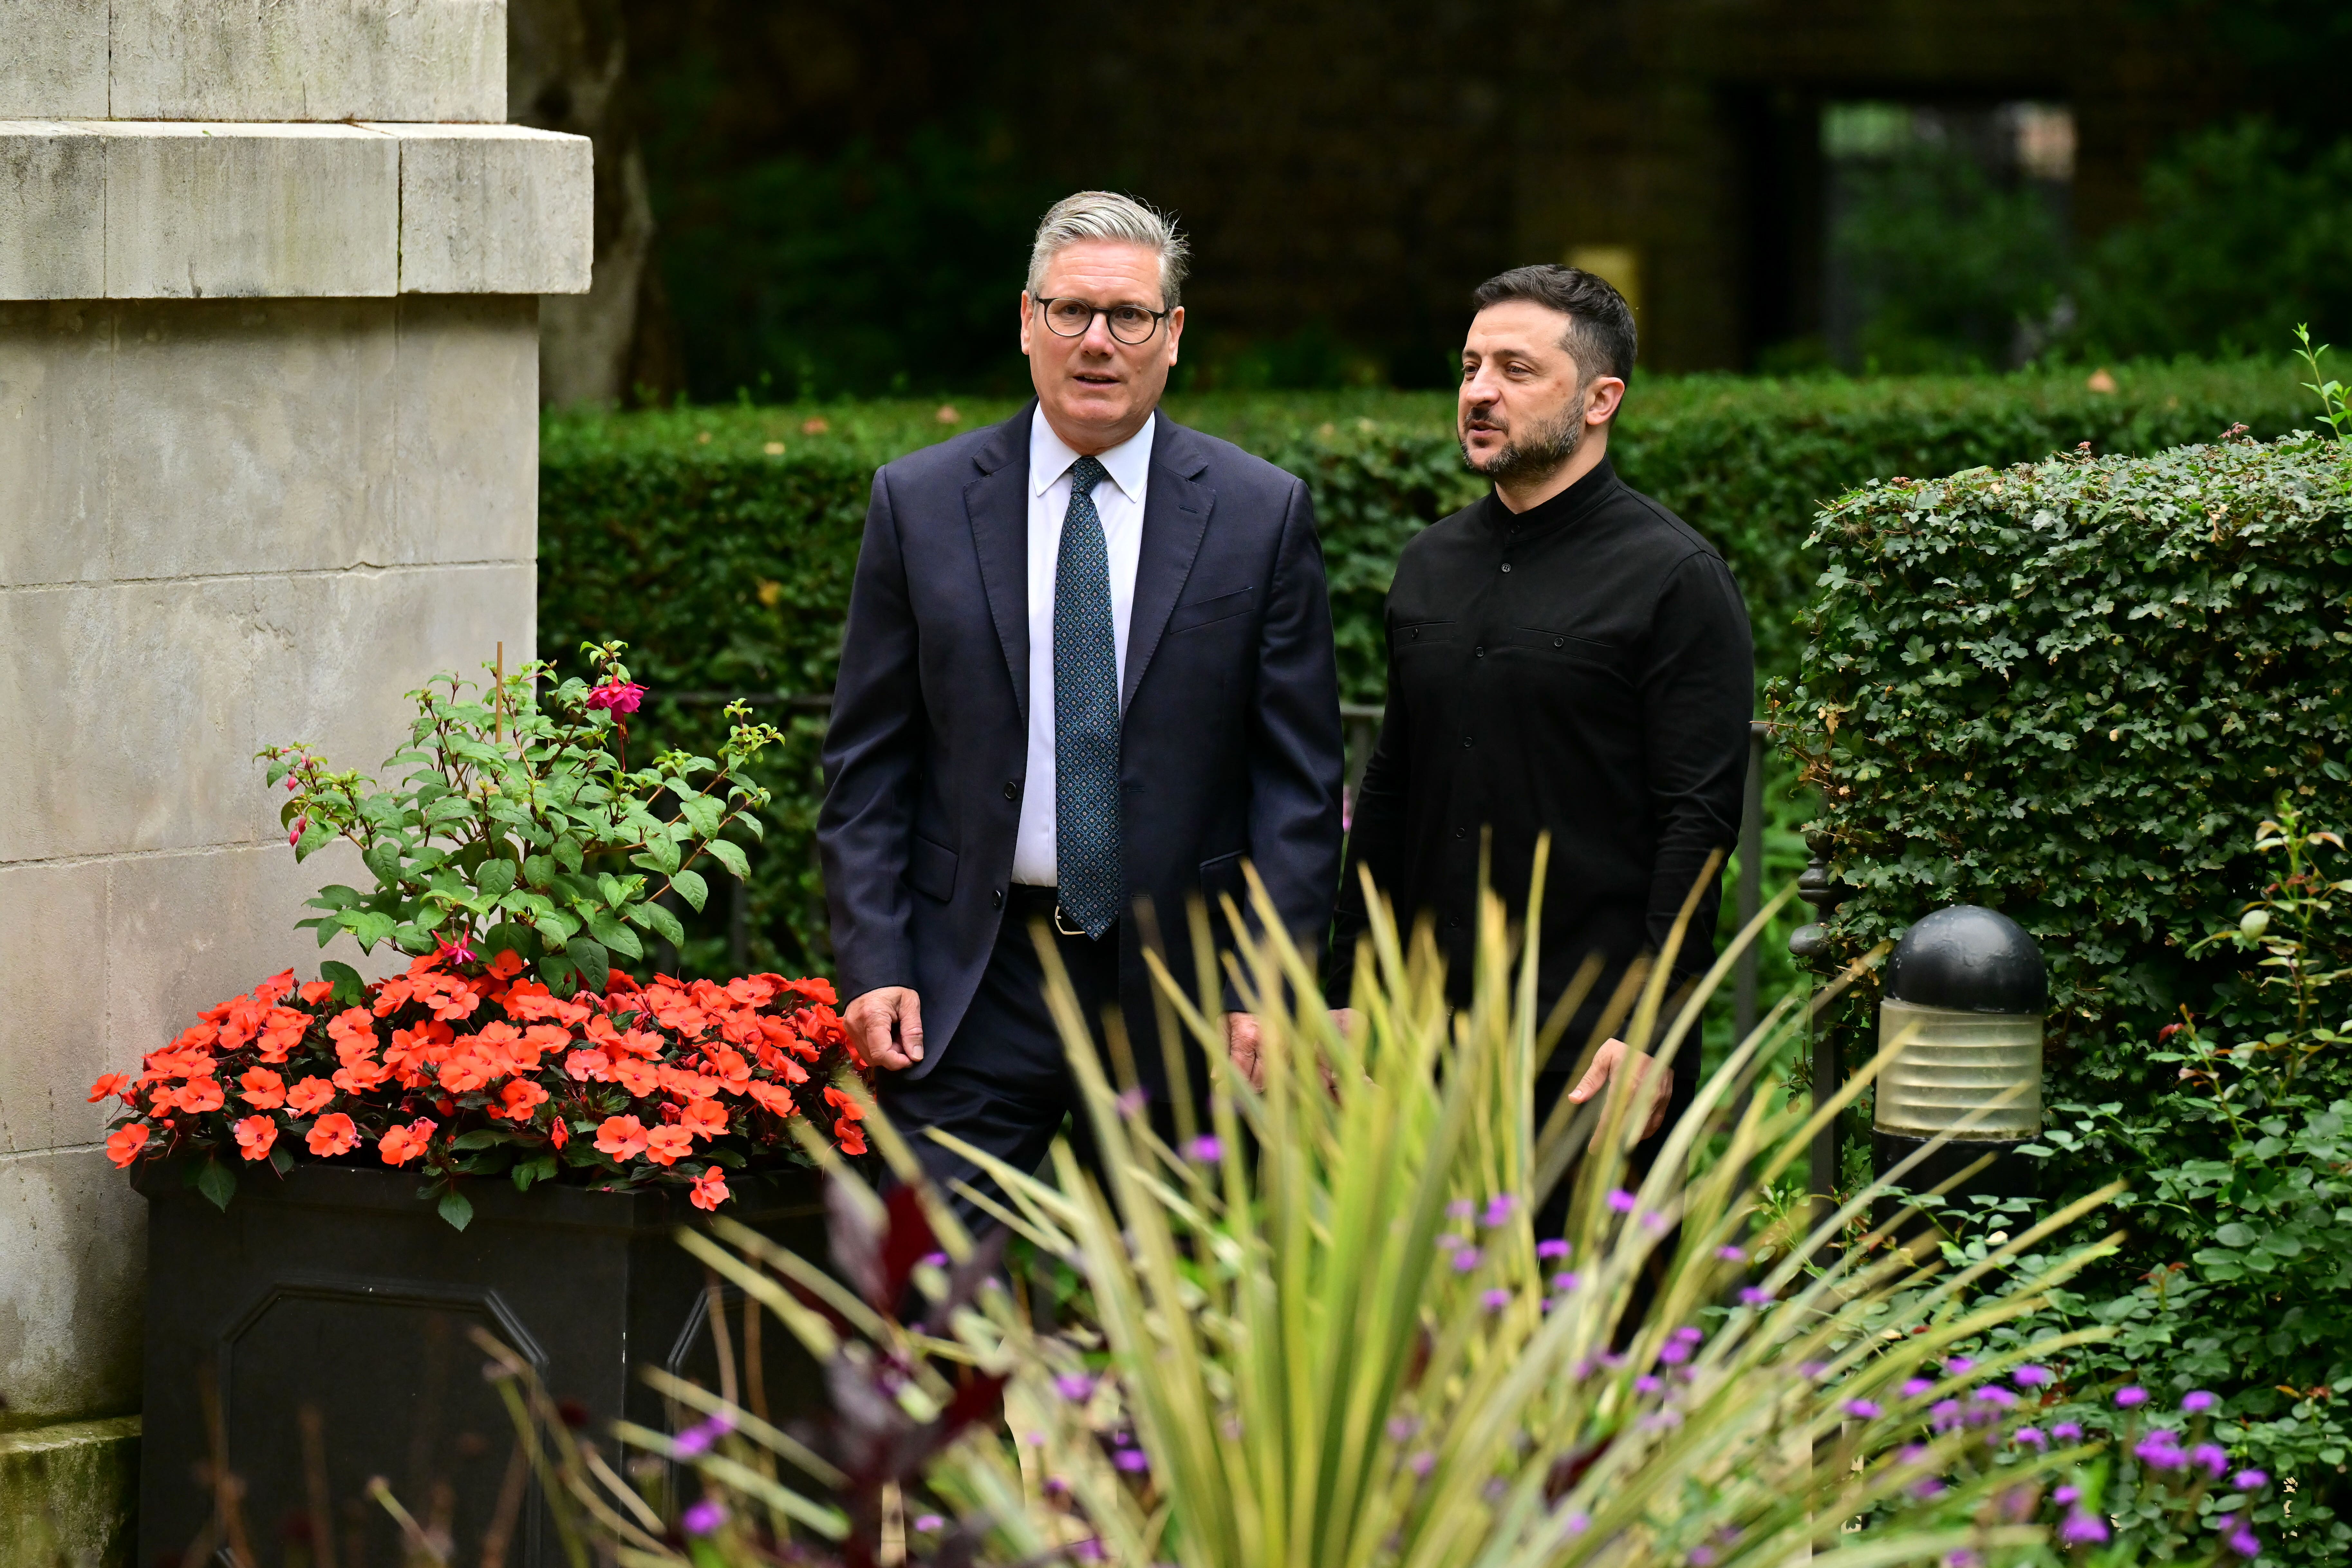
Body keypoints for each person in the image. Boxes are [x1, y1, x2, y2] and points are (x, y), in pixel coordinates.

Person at [818, 191, 1345, 1220]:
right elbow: (869, 762)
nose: (1097, 341)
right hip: (972, 982)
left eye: (1129, 316)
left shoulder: (1259, 513)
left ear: (1173, 335)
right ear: (1028, 322)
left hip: (1185, 991)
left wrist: (1268, 986)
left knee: (1175, 1301)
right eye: (1071, 311)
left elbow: (1297, 786)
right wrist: (874, 960)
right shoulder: (919, 503)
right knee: (926, 1290)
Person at [1329, 264, 1752, 1174]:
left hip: (1592, 1052)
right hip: (1421, 1042)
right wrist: (1347, 986)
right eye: (1470, 367)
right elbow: (1393, 786)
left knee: (1595, 1276)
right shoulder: (1429, 563)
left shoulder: (1675, 578)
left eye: (1515, 370)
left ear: (1601, 399)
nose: (1479, 392)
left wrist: (1653, 1029)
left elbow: (1698, 822)